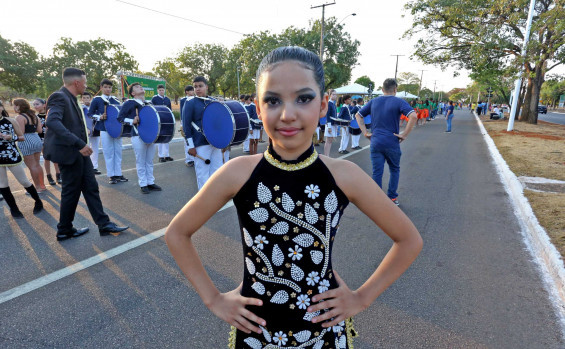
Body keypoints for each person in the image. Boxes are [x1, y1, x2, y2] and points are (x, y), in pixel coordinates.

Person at [165, 46, 422, 349]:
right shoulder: (238, 173)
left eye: (304, 98)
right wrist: (213, 299)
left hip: (323, 332)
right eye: (272, 101)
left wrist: (362, 298)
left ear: (324, 105)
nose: (287, 115)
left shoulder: (344, 175)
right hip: (257, 332)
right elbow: (177, 233)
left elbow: (409, 240)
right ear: (258, 110)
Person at [45, 67, 129, 241]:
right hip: (70, 152)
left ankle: (103, 224)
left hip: (80, 153)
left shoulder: (71, 98)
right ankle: (64, 229)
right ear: (77, 82)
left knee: (91, 187)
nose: (86, 85)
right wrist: (78, 143)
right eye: (85, 82)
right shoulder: (59, 97)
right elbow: (52, 121)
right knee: (71, 191)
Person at [355, 78, 417, 206]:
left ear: (382, 89)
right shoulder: (399, 102)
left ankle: (377, 199)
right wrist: (404, 135)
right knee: (394, 169)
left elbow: (358, 115)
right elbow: (413, 116)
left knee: (377, 171)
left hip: (376, 141)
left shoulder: (373, 101)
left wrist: (365, 132)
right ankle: (392, 198)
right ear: (395, 89)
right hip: (392, 142)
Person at [0, 101, 44, 218]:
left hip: (12, 156)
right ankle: (14, 209)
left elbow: (21, 137)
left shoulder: (11, 121)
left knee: (24, 181)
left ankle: (38, 202)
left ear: (1, 108)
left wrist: (11, 137)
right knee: (3, 184)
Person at [118, 83, 162, 194]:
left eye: (141, 86)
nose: (141, 88)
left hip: (150, 136)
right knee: (141, 160)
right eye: (137, 87)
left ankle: (150, 182)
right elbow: (120, 118)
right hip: (137, 135)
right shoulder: (129, 103)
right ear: (132, 93)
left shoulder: (148, 103)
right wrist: (131, 121)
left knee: (149, 160)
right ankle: (143, 184)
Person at [182, 76, 222, 190]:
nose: (197, 89)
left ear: (206, 87)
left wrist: (223, 141)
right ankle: (205, 201)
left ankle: (216, 198)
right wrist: (190, 146)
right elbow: (186, 125)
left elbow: (219, 122)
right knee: (203, 174)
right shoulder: (190, 102)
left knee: (217, 171)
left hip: (215, 142)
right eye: (195, 87)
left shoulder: (213, 101)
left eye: (200, 86)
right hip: (200, 142)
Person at [89, 78, 128, 184]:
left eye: (110, 87)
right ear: (101, 88)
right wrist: (100, 117)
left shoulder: (115, 100)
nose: (108, 89)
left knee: (118, 152)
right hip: (104, 129)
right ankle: (111, 175)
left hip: (117, 129)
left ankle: (118, 174)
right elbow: (90, 114)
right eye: (105, 87)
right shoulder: (97, 100)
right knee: (109, 152)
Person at [13, 99, 46, 192]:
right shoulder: (35, 116)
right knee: (37, 164)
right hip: (36, 139)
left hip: (26, 141)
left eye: (15, 105)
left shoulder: (20, 117)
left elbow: (21, 133)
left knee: (32, 166)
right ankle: (42, 185)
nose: (14, 107)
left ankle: (38, 188)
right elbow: (40, 130)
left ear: (20, 106)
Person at [33, 98, 62, 185]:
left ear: (44, 105)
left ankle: (58, 175)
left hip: (52, 138)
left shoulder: (50, 115)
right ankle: (49, 176)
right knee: (46, 158)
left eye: (37, 104)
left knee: (56, 157)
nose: (35, 106)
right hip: (41, 139)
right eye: (34, 104)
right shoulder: (35, 117)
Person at [80, 92, 102, 175]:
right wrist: (85, 129)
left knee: (95, 149)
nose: (86, 99)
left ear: (90, 98)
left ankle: (94, 167)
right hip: (85, 131)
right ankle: (85, 167)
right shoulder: (81, 108)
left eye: (87, 98)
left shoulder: (95, 108)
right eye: (84, 98)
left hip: (95, 130)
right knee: (85, 149)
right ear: (81, 99)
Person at [152, 84, 174, 163]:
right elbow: (153, 110)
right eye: (160, 90)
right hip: (159, 120)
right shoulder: (154, 98)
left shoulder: (167, 99)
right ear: (157, 91)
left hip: (167, 120)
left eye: (162, 90)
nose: (161, 91)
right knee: (161, 138)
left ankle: (167, 155)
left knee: (167, 138)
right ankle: (161, 156)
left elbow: (170, 110)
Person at [180, 85, 196, 167]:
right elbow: (182, 113)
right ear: (187, 92)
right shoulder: (183, 100)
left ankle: (194, 158)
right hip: (186, 122)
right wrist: (182, 124)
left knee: (194, 141)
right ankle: (189, 159)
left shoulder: (196, 99)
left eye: (193, 90)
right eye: (191, 90)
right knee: (187, 142)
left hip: (194, 124)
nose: (193, 92)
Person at [323, 89, 338, 157]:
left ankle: (327, 155)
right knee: (328, 140)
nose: (335, 96)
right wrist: (329, 126)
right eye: (333, 94)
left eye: (335, 94)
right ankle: (326, 156)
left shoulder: (333, 104)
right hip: (330, 124)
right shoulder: (329, 103)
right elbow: (328, 115)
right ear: (329, 95)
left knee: (330, 140)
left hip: (333, 124)